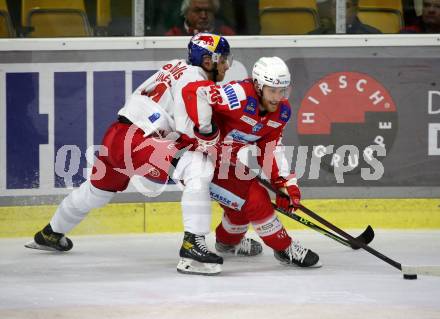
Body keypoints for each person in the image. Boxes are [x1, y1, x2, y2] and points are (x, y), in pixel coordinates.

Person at [25, 33, 233, 276]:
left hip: (117, 135)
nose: (227, 65)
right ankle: (192, 247)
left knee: (96, 191)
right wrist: (212, 144)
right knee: (198, 166)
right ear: (208, 61)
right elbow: (189, 132)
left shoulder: (175, 65)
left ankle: (50, 233)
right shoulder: (196, 81)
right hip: (140, 140)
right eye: (224, 59)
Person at [182, 57, 321, 268]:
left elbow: (271, 148)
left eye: (282, 90)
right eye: (272, 90)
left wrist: (284, 184)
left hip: (225, 163)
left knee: (240, 210)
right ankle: (284, 248)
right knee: (255, 199)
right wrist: (205, 130)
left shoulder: (282, 112)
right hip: (197, 158)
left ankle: (227, 243)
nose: (278, 97)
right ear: (257, 85)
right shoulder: (237, 96)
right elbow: (194, 91)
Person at [165, 0, 235, 36]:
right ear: (186, 12)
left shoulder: (226, 33)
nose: (203, 16)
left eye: (208, 10)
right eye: (197, 11)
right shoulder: (174, 34)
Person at [310, 0, 381, 34]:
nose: (339, 10)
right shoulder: (314, 36)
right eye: (335, 6)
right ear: (330, 10)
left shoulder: (373, 35)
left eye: (346, 6)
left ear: (356, 10)